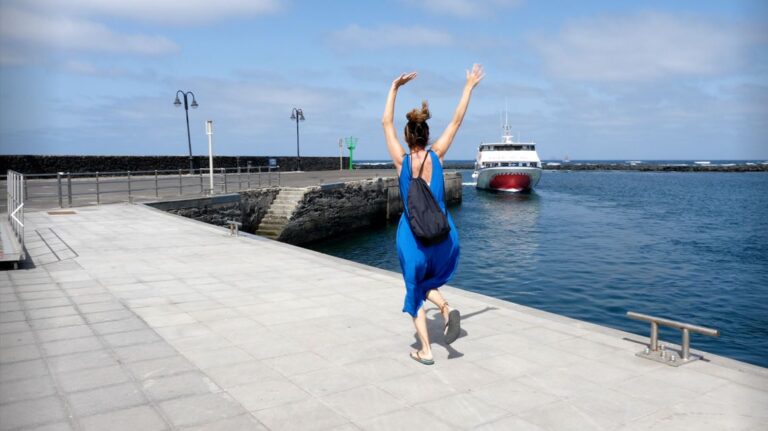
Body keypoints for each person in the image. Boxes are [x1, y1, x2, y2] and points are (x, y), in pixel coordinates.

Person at [382, 64, 485, 365]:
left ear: (408, 135)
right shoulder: (436, 156)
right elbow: (456, 122)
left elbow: (386, 122)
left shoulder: (402, 163)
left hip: (412, 238)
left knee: (415, 291)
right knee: (428, 282)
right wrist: (468, 86)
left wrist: (394, 87)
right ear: (426, 135)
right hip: (443, 237)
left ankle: (426, 349)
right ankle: (444, 308)